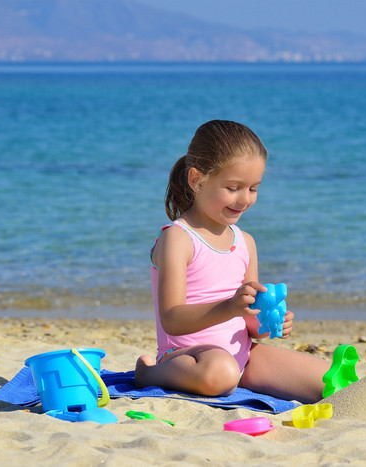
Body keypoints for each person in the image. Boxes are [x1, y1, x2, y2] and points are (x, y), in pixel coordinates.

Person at [135, 120, 330, 404]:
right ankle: (148, 373)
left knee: (326, 381)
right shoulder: (179, 238)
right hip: (191, 358)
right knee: (221, 373)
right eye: (234, 187)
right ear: (197, 181)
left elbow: (249, 322)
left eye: (253, 188)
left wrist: (267, 323)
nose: (245, 199)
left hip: (244, 356)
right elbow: (172, 319)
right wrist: (230, 306)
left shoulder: (245, 242)